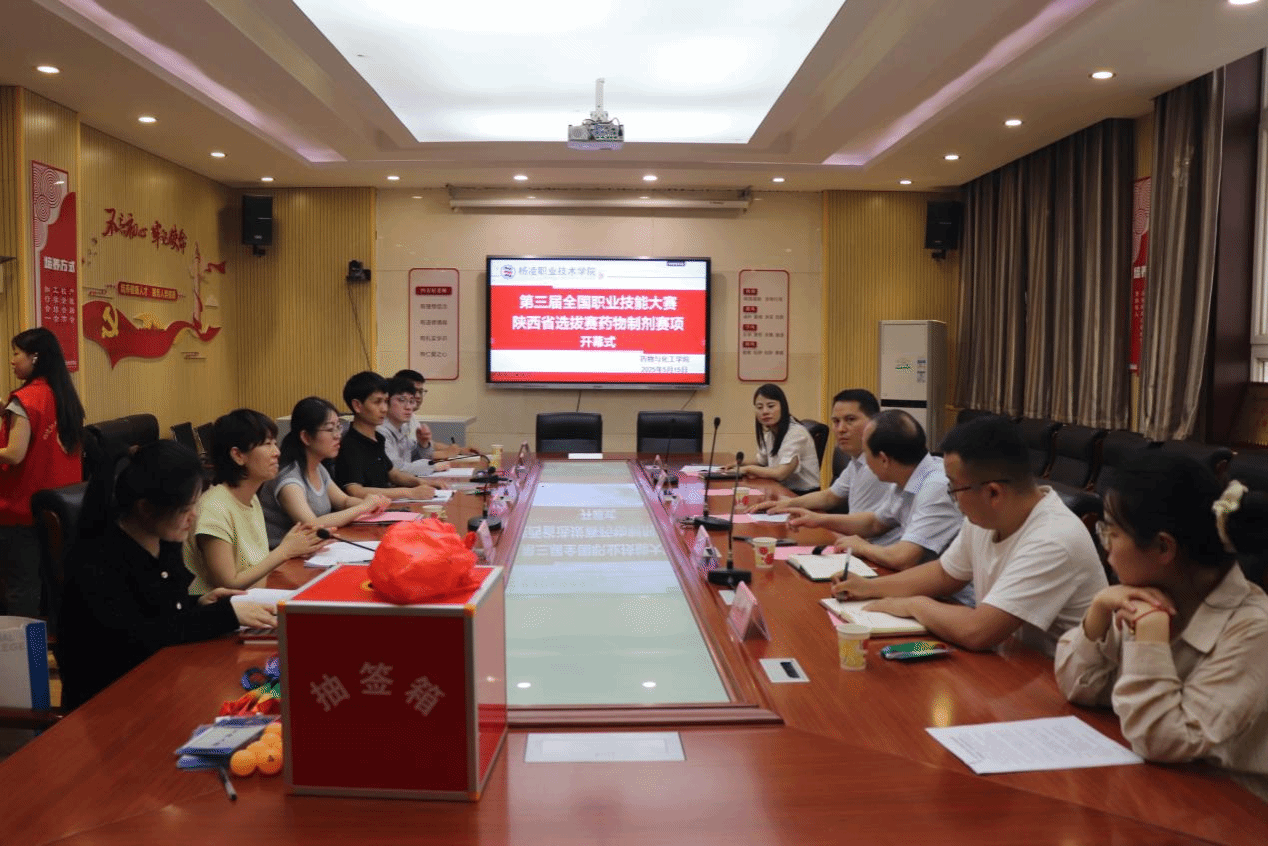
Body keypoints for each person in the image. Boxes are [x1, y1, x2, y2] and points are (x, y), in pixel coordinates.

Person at [1055, 451, 1268, 801]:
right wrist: (1098, 610)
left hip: (1230, 807)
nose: (1106, 549)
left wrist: (1149, 640)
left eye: (1111, 533)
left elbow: (1162, 740)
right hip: (1157, 788)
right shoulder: (1149, 591)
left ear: (1162, 547)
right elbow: (1079, 688)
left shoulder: (1253, 629)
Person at [833, 415, 1106, 653]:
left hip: (1052, 679)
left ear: (993, 492)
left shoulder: (1052, 539)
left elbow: (977, 631)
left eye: (954, 488)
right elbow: (944, 574)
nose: (952, 497)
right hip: (1008, 659)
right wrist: (869, 588)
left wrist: (912, 605)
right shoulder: (987, 517)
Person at [57, 441, 276, 709]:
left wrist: (198, 604)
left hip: (164, 684)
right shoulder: (97, 560)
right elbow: (141, 636)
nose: (194, 517)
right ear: (146, 508)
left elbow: (164, 611)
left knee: (256, 694)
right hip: (112, 703)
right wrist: (223, 615)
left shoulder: (164, 541)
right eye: (185, 509)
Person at [183, 409, 326, 592]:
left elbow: (254, 566)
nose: (277, 452)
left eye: (275, 443)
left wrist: (296, 547)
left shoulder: (251, 499)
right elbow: (228, 584)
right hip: (224, 606)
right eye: (267, 444)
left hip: (254, 598)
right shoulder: (214, 508)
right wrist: (284, 551)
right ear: (238, 455)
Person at [1, 327, 85, 617]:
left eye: (16, 353)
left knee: (22, 591)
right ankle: (53, 644)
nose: (12, 360)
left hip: (21, 509)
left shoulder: (24, 400)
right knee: (51, 588)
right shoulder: (63, 395)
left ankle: (30, 648)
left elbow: (15, 453)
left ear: (34, 357)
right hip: (59, 510)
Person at [816, 409, 960, 571]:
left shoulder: (936, 487)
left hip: (946, 587)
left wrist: (862, 547)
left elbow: (903, 558)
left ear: (884, 459)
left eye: (866, 453)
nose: (865, 462)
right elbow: (875, 523)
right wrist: (817, 519)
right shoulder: (906, 478)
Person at [750, 388, 898, 543]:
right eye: (836, 421)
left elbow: (866, 527)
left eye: (850, 420)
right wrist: (786, 504)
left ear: (874, 423)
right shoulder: (857, 461)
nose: (841, 429)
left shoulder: (877, 467)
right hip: (860, 545)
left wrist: (817, 519)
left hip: (874, 550)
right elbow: (830, 496)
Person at [259, 396, 390, 548]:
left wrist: (374, 503)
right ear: (306, 437)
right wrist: (364, 507)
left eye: (338, 427)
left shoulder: (317, 467)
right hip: (284, 557)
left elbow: (343, 501)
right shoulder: (289, 478)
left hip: (313, 550)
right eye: (329, 429)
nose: (337, 435)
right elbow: (312, 525)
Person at [333, 371, 440, 501]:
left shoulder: (377, 437)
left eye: (386, 401)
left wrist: (420, 482)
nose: (384, 408)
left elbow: (392, 473)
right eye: (377, 402)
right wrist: (409, 492)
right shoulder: (350, 444)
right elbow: (355, 491)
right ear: (357, 406)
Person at [721, 383, 820, 494]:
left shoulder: (796, 433)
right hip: (782, 490)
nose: (765, 411)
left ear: (783, 407)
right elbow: (761, 461)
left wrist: (747, 469)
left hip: (802, 495)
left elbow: (781, 473)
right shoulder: (771, 433)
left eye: (771, 406)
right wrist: (739, 463)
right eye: (759, 407)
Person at [392, 369, 480, 461]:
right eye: (414, 391)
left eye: (420, 391)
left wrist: (460, 450)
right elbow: (405, 456)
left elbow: (428, 444)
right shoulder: (392, 422)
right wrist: (445, 453)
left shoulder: (411, 416)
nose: (418, 396)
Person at [378, 376, 447, 477]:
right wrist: (432, 466)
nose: (408, 407)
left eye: (411, 401)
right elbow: (396, 469)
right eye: (401, 400)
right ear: (386, 402)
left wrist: (423, 444)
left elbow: (416, 458)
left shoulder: (402, 428)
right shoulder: (380, 431)